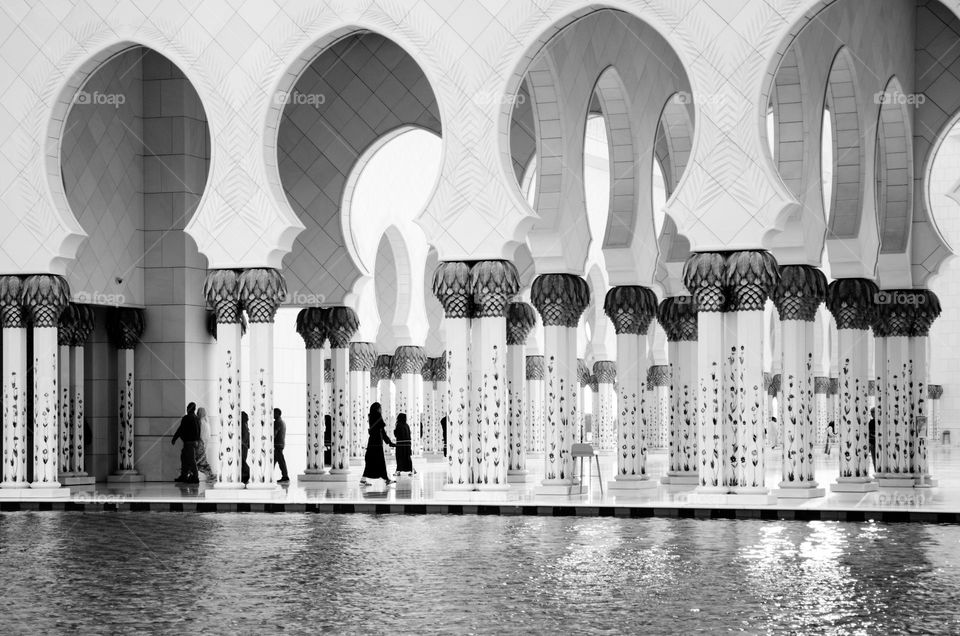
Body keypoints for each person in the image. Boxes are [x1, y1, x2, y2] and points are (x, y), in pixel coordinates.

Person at [361, 402, 395, 486]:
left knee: (370, 462)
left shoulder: (370, 416)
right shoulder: (378, 416)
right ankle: (386, 479)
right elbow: (382, 432)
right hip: (377, 444)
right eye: (380, 408)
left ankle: (363, 479)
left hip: (371, 442)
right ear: (377, 409)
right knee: (381, 462)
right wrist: (389, 442)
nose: (381, 409)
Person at [172, 402, 201, 483]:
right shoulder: (196, 418)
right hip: (193, 442)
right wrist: (197, 441)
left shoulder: (187, 418)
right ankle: (184, 476)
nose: (187, 409)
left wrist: (174, 438)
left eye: (188, 407)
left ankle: (194, 477)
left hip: (189, 442)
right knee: (185, 458)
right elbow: (198, 431)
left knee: (190, 460)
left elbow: (180, 429)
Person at [195, 407, 217, 481]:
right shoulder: (204, 421)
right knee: (201, 461)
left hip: (201, 443)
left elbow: (202, 434)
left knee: (199, 461)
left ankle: (210, 475)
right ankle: (210, 475)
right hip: (202, 444)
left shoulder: (201, 421)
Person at [274, 408, 289, 483]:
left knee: (280, 461)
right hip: (280, 444)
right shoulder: (282, 422)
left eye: (274, 413)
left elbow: (274, 433)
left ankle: (285, 476)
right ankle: (268, 476)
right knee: (275, 461)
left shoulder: (277, 422)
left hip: (277, 444)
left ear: (278, 414)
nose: (272, 414)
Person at [240, 411, 250, 484]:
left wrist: (241, 443)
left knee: (242, 461)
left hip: (243, 446)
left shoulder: (242, 425)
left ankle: (246, 475)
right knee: (243, 460)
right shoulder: (246, 425)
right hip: (245, 446)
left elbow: (244, 436)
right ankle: (244, 476)